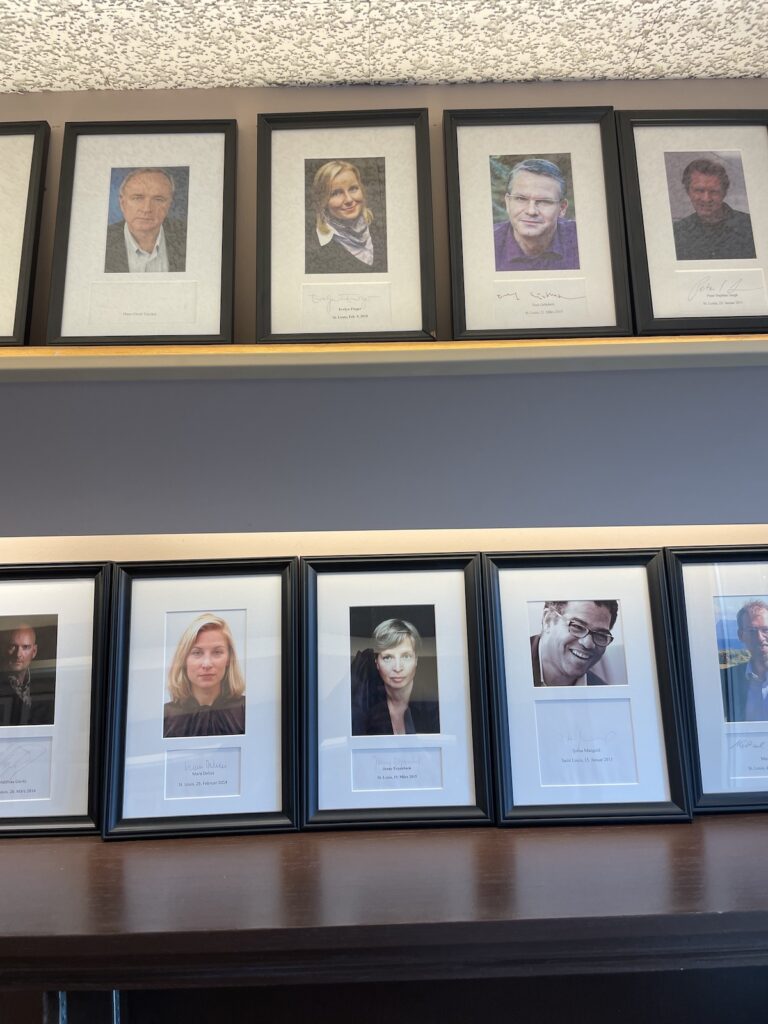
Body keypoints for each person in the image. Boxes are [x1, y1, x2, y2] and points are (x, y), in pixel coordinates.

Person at [350, 618, 439, 736]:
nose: (397, 668)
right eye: (388, 658)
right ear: (376, 662)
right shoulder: (365, 710)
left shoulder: (435, 709)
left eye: (406, 656)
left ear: (416, 659)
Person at [163, 613, 246, 738]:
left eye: (217, 652)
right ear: (184, 658)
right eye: (197, 653)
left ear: (229, 658)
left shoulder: (247, 711)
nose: (207, 664)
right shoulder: (164, 716)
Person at [494, 158, 580, 272]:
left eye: (544, 201)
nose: (531, 211)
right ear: (508, 203)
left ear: (562, 208)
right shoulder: (486, 245)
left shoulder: (582, 242)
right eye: (521, 198)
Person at [305, 160, 387, 274]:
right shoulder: (312, 251)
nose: (349, 200)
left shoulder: (384, 228)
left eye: (353, 188)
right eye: (336, 193)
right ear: (322, 200)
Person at [104, 167, 187, 273]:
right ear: (122, 203)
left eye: (158, 199)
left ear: (169, 205)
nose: (146, 209)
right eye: (137, 198)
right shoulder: (101, 240)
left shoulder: (188, 235)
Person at [672, 158, 755, 261]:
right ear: (688, 192)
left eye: (714, 191)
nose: (706, 199)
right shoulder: (677, 232)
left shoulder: (752, 227)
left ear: (724, 193)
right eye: (699, 190)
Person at [531, 600, 618, 687]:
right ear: (548, 621)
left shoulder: (604, 694)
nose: (588, 644)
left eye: (600, 635)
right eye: (578, 627)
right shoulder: (518, 664)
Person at [720, 599, 768, 722]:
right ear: (741, 635)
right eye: (752, 631)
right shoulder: (726, 680)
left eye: (766, 630)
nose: (760, 637)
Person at [0, 625, 55, 726]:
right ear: (5, 649)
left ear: (34, 652)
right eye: (13, 646)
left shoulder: (49, 685)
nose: (18, 654)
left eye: (25, 647)